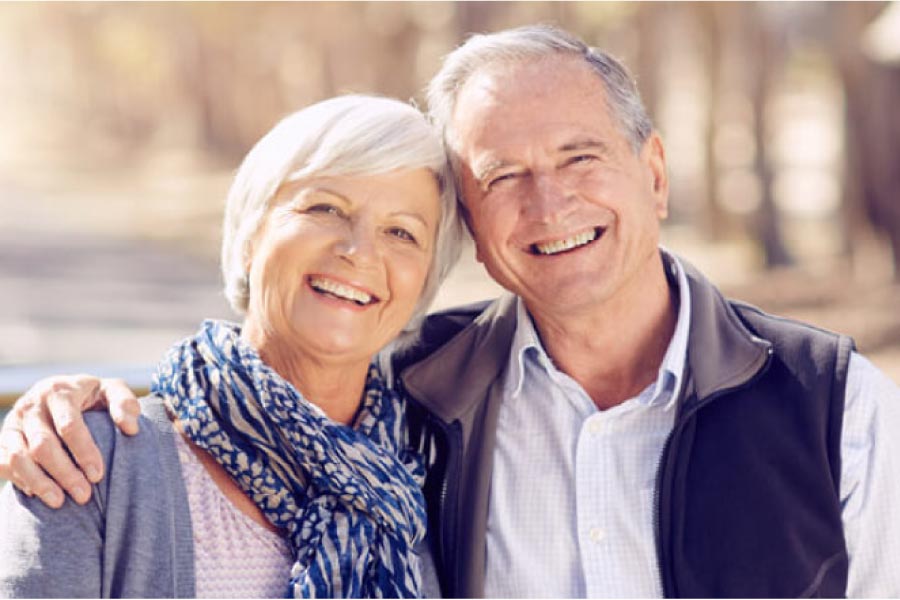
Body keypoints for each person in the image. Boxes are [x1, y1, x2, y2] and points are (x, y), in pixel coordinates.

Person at [4, 24, 900, 598]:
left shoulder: (837, 407)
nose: (549, 205)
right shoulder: (423, 402)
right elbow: (255, 393)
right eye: (503, 176)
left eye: (581, 157)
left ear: (655, 174)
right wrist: (59, 408)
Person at [0, 94, 463, 598]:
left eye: (401, 232)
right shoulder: (86, 460)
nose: (359, 252)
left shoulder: (427, 480)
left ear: (424, 286)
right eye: (326, 208)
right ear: (249, 237)